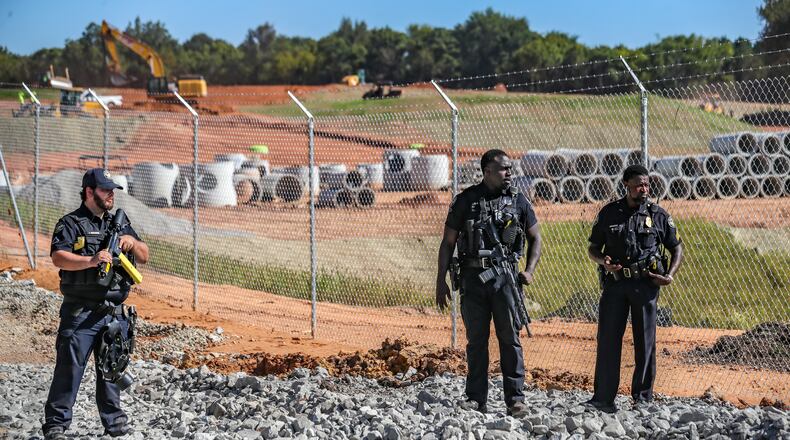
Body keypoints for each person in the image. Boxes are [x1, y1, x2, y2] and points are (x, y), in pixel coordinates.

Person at [43, 168, 149, 439]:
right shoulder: (71, 223)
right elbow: (58, 257)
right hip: (81, 312)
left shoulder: (118, 224)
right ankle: (56, 424)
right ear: (89, 192)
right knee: (69, 370)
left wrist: (131, 242)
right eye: (105, 190)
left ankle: (115, 424)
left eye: (112, 190)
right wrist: (91, 261)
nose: (111, 195)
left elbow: (144, 255)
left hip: (114, 313)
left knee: (112, 369)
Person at [436, 149, 542, 417]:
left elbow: (536, 238)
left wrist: (529, 271)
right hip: (473, 280)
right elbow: (448, 243)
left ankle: (515, 399)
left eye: (510, 168)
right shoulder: (466, 200)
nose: (509, 173)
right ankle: (475, 399)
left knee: (510, 339)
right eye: (504, 169)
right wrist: (440, 280)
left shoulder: (518, 200)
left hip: (506, 279)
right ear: (487, 172)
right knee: (476, 341)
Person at [585, 164, 683, 413]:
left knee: (645, 341)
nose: (644, 189)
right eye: (639, 185)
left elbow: (677, 248)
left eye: (647, 184)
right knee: (608, 340)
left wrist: (669, 276)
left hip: (645, 285)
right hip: (616, 285)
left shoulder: (658, 215)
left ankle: (642, 398)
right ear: (626, 185)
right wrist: (603, 261)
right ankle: (603, 398)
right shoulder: (609, 213)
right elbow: (593, 248)